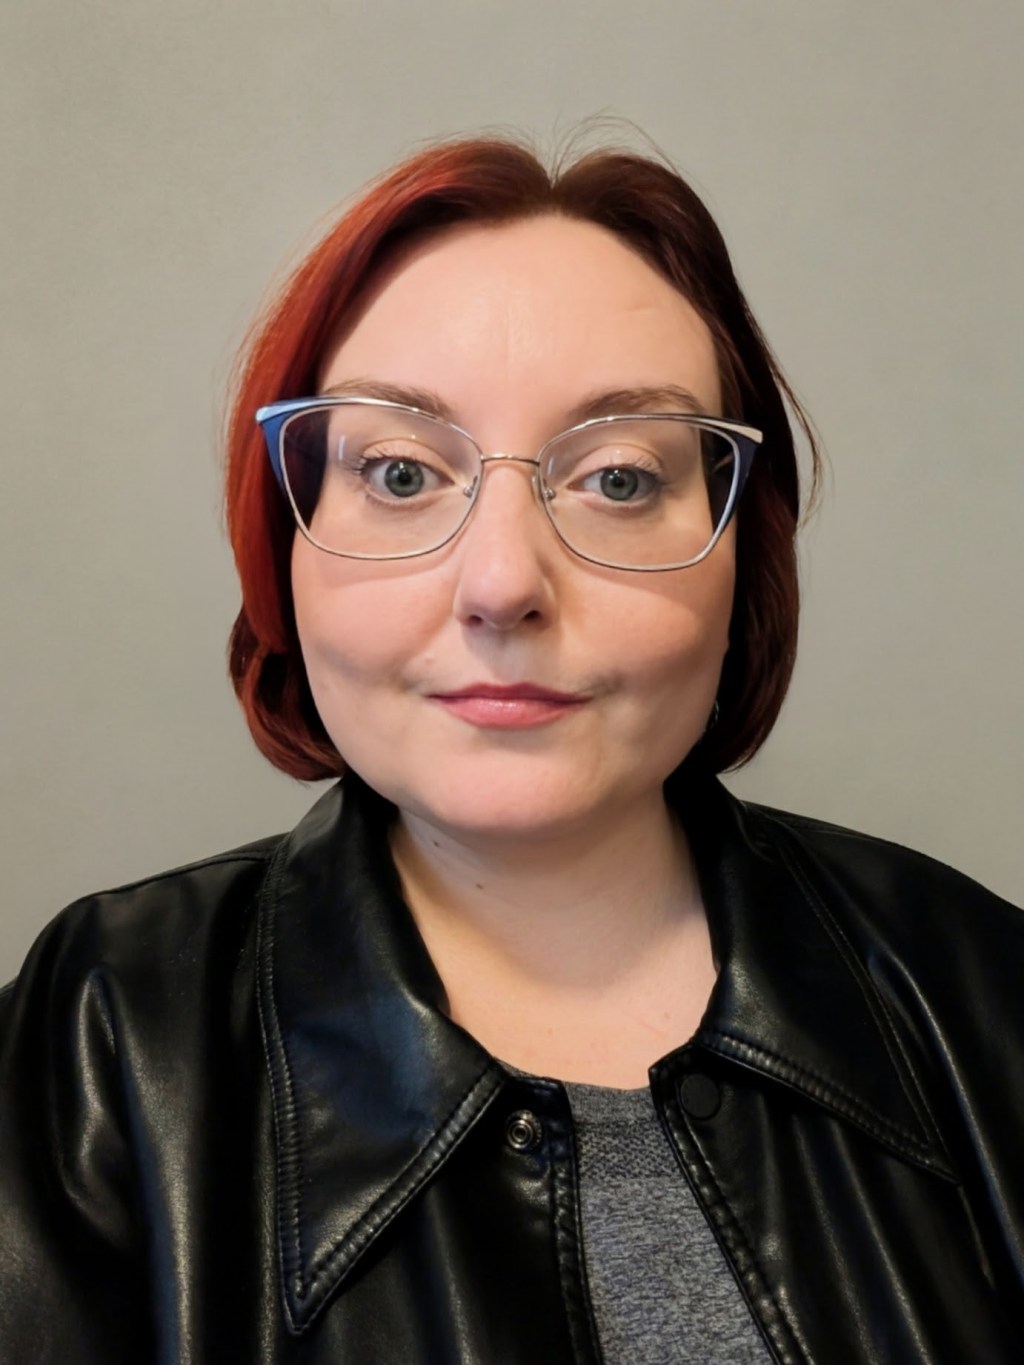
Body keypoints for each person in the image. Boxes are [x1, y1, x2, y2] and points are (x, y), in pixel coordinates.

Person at [1, 133, 1022, 1365]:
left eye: (620, 480)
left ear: (742, 560)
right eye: (398, 473)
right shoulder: (96, 1041)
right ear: (285, 546)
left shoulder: (979, 986)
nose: (500, 585)